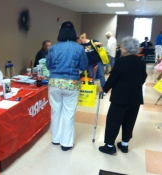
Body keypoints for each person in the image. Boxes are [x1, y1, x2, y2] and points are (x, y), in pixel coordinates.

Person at [98, 36, 147, 155]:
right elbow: (143, 78)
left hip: (120, 98)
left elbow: (113, 78)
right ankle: (124, 144)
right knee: (129, 121)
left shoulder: (120, 62)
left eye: (122, 47)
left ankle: (110, 146)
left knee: (114, 121)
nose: (121, 49)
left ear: (126, 49)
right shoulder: (141, 62)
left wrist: (104, 89)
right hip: (135, 98)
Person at [46, 21, 88, 151]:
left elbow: (48, 65)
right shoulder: (79, 48)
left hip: (54, 83)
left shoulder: (53, 48)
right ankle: (66, 143)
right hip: (71, 84)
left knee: (55, 111)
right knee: (68, 113)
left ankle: (56, 139)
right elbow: (83, 66)